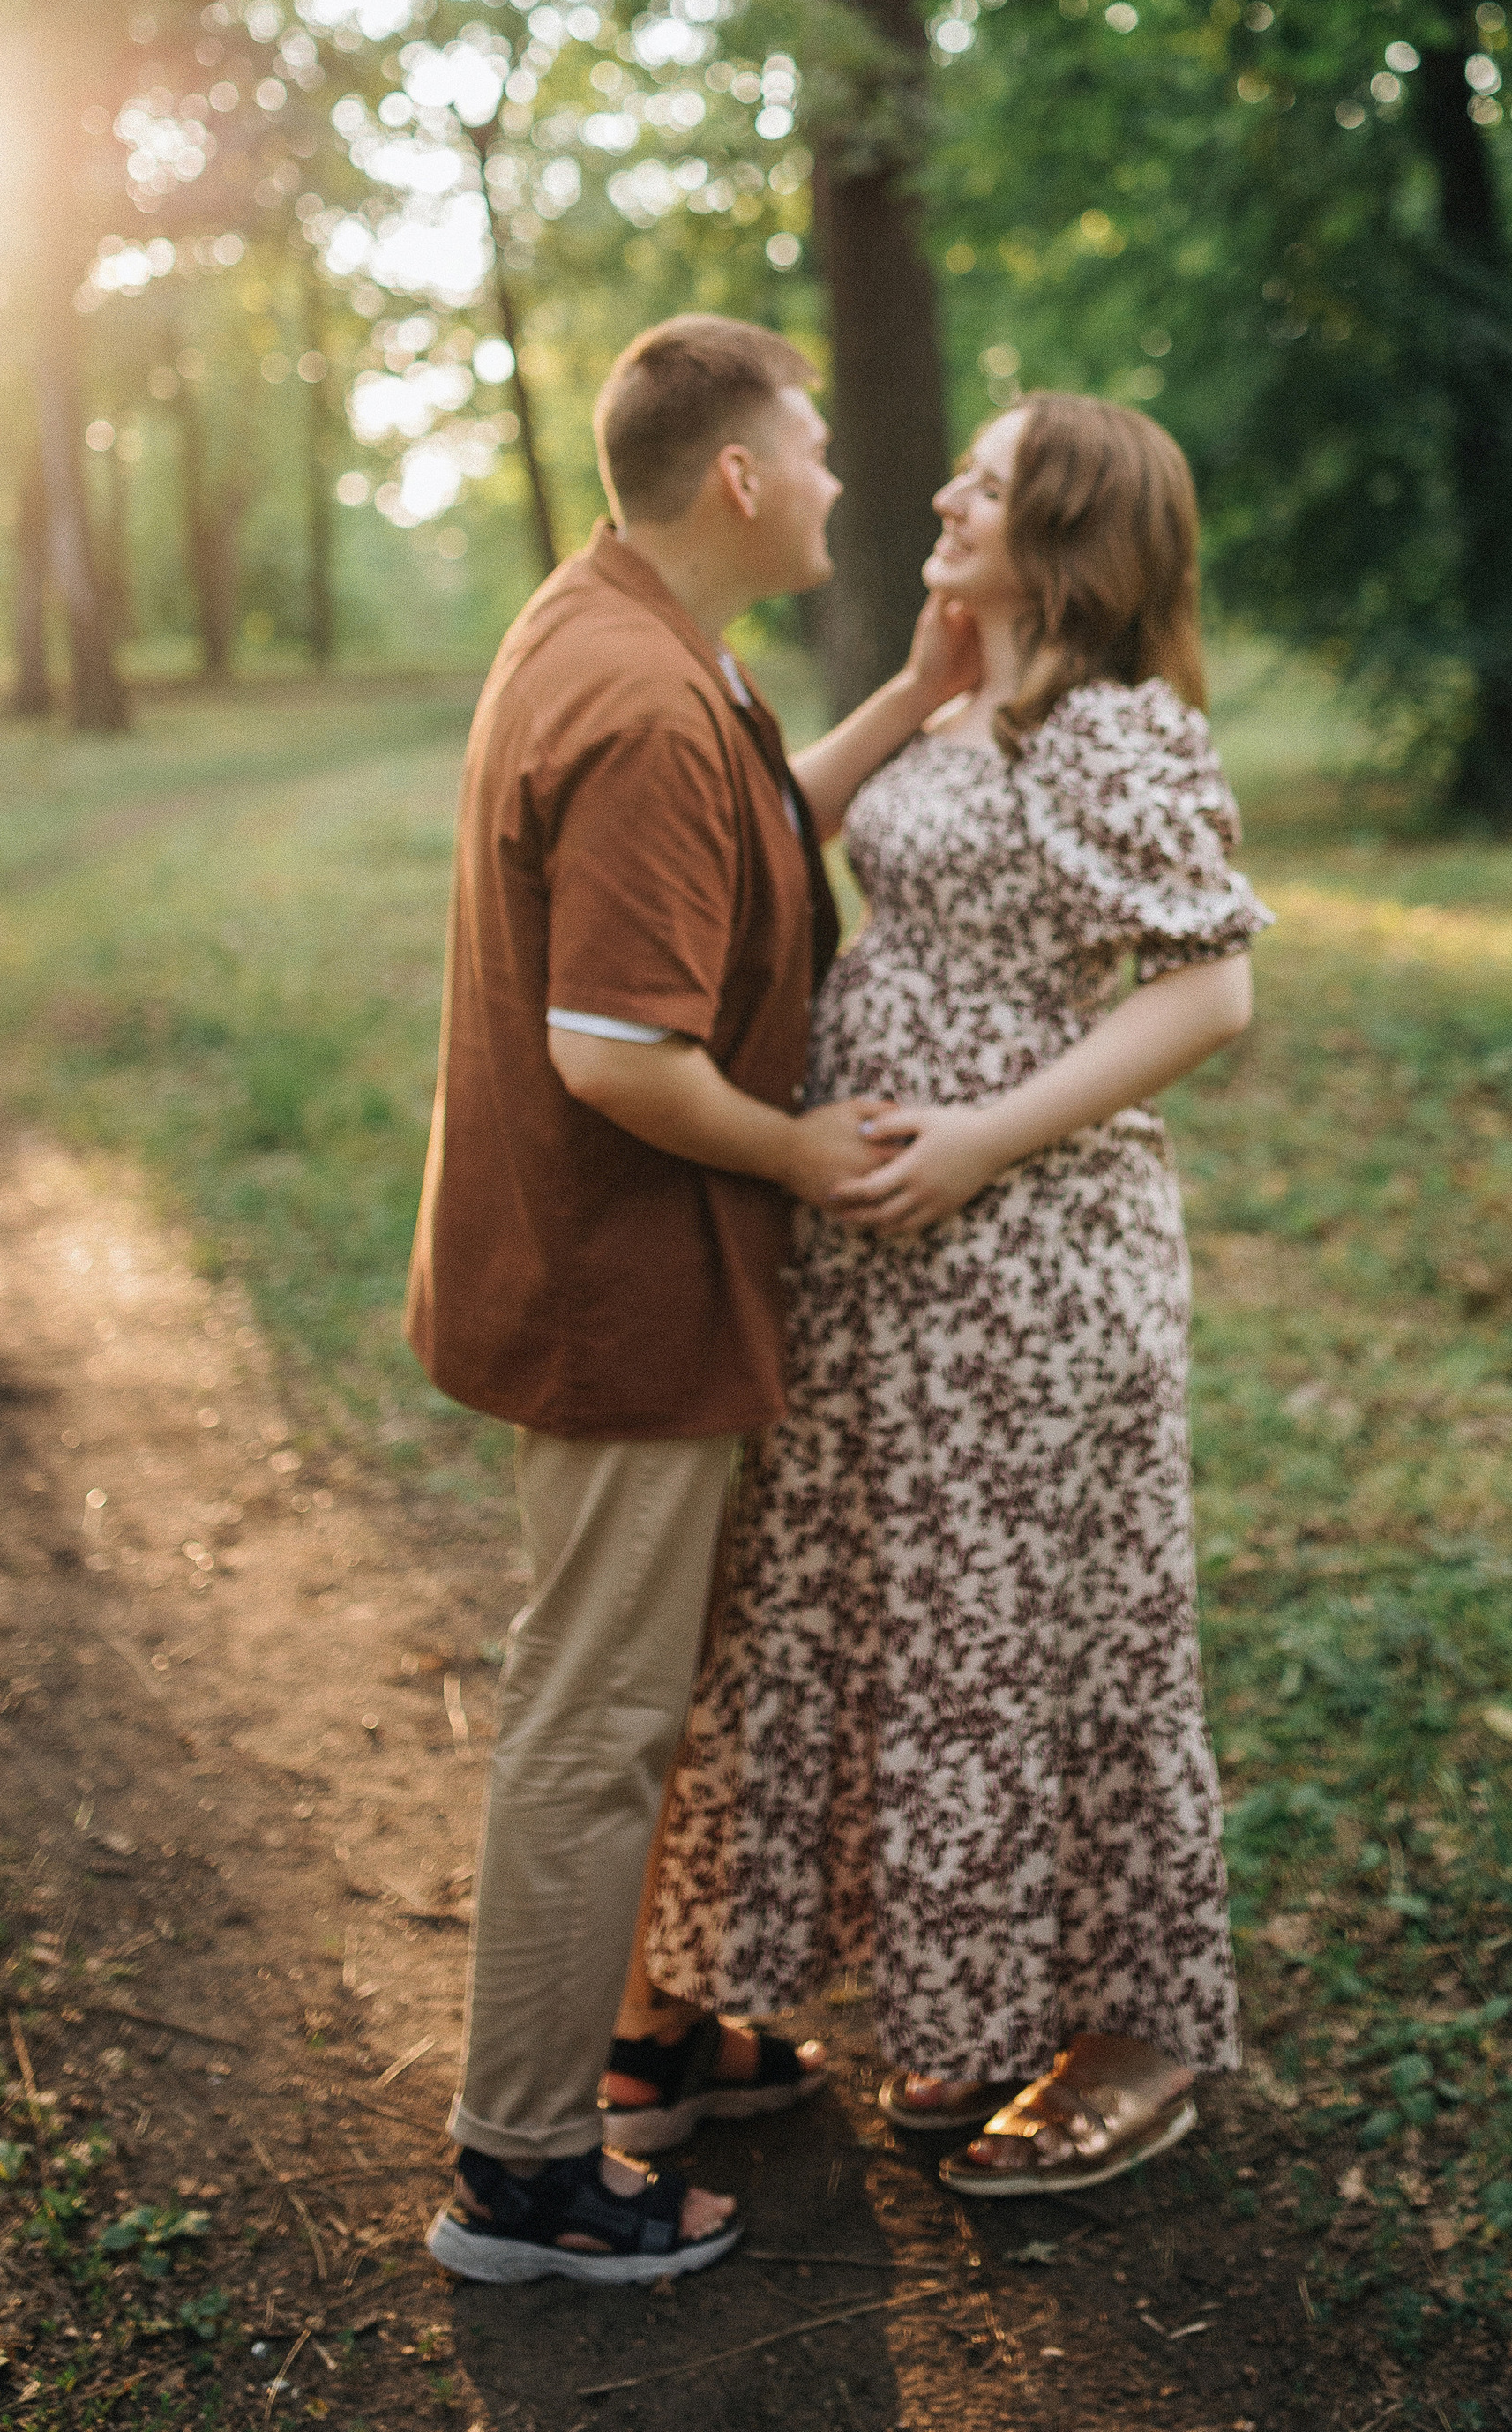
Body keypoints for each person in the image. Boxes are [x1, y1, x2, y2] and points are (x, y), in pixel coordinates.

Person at [644, 390, 1270, 2196]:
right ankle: (987, 2008)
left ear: (1065, 527)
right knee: (930, 1633)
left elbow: (1206, 994)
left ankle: (1131, 2033)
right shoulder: (961, 710)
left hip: (1033, 1261)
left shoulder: (1116, 732)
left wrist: (985, 1138)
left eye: (983, 485)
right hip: (888, 1265)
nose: (940, 492)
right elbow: (775, 832)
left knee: (1053, 1637)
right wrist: (918, 688)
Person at [410, 313, 977, 2286]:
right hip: (619, 1292)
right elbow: (614, 1053)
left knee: (627, 1704)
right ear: (737, 478)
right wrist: (811, 1152)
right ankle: (523, 2171)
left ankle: (642, 2041)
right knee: (592, 1723)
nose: (839, 483)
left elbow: (743, 852)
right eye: (814, 451)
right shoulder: (644, 701)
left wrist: (908, 694)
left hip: (633, 1279)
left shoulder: (636, 637)